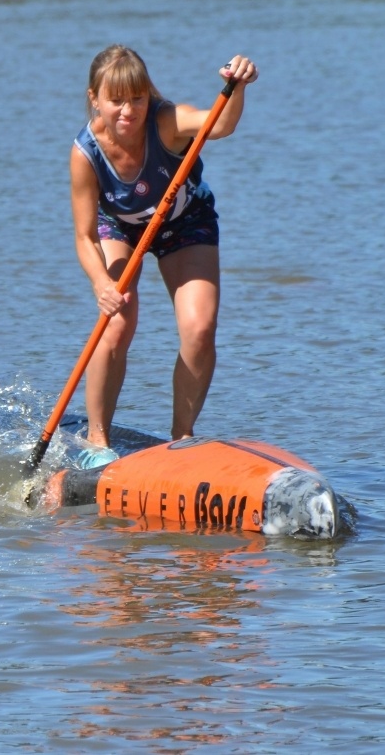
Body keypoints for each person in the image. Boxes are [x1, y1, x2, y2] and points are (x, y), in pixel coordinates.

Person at [69, 44, 258, 467]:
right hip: (121, 227)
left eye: (136, 98)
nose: (128, 111)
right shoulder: (85, 154)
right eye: (115, 100)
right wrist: (102, 285)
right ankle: (97, 444)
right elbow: (83, 237)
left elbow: (220, 124)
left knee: (200, 327)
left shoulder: (167, 121)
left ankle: (181, 439)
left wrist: (236, 85)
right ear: (94, 99)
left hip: (184, 221)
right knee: (118, 320)